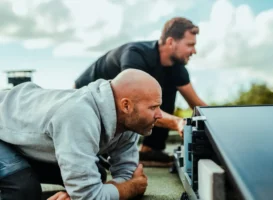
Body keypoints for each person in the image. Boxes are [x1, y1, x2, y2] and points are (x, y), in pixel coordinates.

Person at [0, 69, 162, 200]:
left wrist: (88, 192)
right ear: (126, 105)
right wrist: (128, 190)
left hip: (21, 138)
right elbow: (124, 186)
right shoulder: (79, 115)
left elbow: (127, 175)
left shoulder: (128, 122)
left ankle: (22, 170)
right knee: (23, 190)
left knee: (96, 174)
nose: (160, 115)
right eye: (153, 107)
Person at [74, 17, 207, 167]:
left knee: (166, 88)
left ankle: (149, 150)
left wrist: (220, 123)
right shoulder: (135, 55)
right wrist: (177, 122)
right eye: (190, 45)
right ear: (170, 42)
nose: (194, 51)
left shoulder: (177, 68)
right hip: (85, 97)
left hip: (119, 103)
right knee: (141, 99)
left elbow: (196, 104)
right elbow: (135, 103)